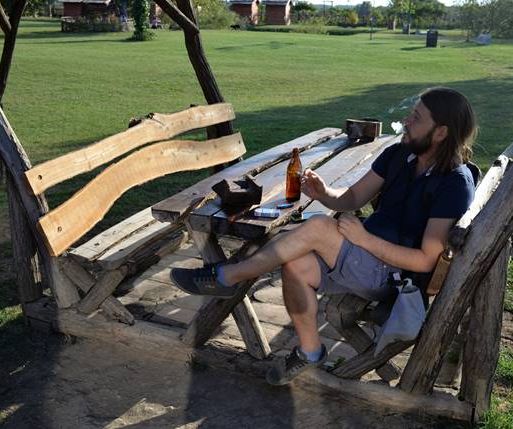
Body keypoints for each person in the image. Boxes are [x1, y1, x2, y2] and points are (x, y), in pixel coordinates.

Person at [170, 87, 477, 385]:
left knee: (319, 227)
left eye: (417, 118)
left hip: (395, 276)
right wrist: (324, 193)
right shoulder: (400, 154)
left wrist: (364, 240)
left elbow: (425, 262)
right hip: (365, 257)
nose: (408, 122)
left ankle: (228, 276)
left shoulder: (453, 183)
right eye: (410, 115)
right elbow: (354, 197)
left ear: (441, 133)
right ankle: (309, 351)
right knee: (296, 264)